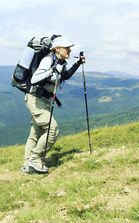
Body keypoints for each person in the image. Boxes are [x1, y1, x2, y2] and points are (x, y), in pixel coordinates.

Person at [22, 36, 86, 174]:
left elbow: (65, 76)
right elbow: (34, 79)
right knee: (52, 129)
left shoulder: (60, 62)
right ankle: (35, 159)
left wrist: (78, 63)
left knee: (35, 134)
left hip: (42, 100)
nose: (70, 49)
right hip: (35, 99)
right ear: (57, 49)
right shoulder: (48, 60)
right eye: (67, 47)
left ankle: (27, 167)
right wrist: (52, 70)